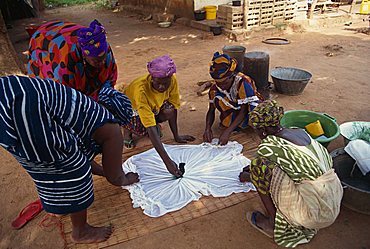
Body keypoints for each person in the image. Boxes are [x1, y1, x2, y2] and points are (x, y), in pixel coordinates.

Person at [0, 75, 139, 243]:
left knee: (43, 166)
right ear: (120, 118)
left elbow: (86, 156)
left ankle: (61, 204)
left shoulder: (85, 110)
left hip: (10, 96)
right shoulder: (113, 131)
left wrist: (100, 170)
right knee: (71, 169)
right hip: (23, 111)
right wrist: (125, 178)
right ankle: (81, 231)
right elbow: (114, 177)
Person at [239, 100, 343, 247]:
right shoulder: (298, 131)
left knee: (258, 166)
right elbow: (292, 163)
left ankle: (272, 223)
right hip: (333, 201)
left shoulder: (268, 147)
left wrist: (250, 177)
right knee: (263, 165)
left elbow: (264, 166)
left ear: (262, 131)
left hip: (314, 215)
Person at [27, 20, 132, 127]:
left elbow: (108, 80)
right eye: (96, 61)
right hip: (44, 40)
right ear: (84, 56)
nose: (102, 63)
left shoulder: (102, 48)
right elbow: (66, 98)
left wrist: (104, 102)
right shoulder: (66, 65)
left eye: (103, 59)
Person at [123, 55, 195, 177]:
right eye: (158, 83)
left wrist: (176, 136)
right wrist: (167, 162)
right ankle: (126, 131)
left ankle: (152, 124)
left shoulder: (172, 81)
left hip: (153, 107)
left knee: (169, 110)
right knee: (143, 128)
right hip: (130, 109)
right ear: (152, 78)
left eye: (165, 84)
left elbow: (174, 106)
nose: (161, 87)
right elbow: (150, 126)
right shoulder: (141, 91)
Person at [203, 52, 264, 145]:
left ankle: (248, 126)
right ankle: (234, 124)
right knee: (217, 98)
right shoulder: (214, 89)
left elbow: (244, 110)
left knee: (255, 109)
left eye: (224, 83)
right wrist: (207, 129)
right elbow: (211, 110)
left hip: (247, 107)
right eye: (218, 83)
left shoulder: (243, 82)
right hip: (235, 108)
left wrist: (228, 131)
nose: (221, 86)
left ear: (231, 76)